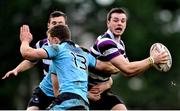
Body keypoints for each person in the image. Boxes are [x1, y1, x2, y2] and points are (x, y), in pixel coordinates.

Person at [19, 24, 121, 110]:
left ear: (55, 40)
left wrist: (25, 40)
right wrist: (122, 65)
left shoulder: (57, 49)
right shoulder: (83, 53)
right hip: (83, 104)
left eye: (49, 40)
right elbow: (104, 66)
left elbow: (27, 53)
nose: (48, 44)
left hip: (66, 101)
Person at [88, 7, 168, 110]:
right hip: (87, 90)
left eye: (123, 21)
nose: (119, 23)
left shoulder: (120, 44)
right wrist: (152, 60)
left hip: (103, 89)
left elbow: (128, 72)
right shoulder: (105, 42)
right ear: (108, 23)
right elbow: (127, 69)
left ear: (125, 24)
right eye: (115, 20)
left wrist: (151, 62)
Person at [2, 10, 69, 110]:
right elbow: (31, 60)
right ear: (48, 25)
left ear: (66, 26)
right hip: (45, 90)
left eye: (60, 23)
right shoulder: (42, 44)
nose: (57, 26)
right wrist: (17, 69)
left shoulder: (72, 49)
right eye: (54, 23)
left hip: (62, 91)